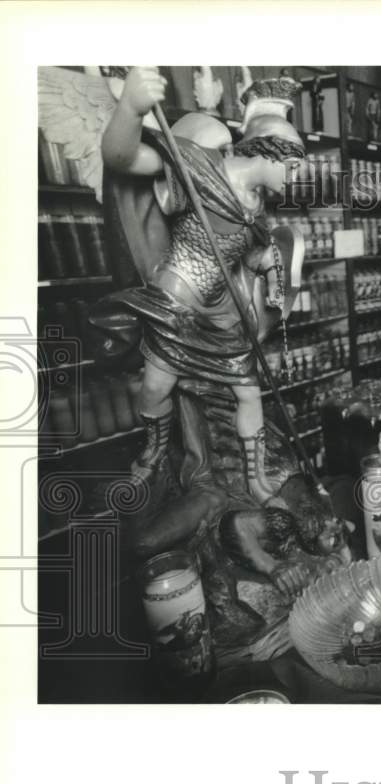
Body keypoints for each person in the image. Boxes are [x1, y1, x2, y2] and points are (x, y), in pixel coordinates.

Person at [95, 66, 306, 505]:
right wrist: (131, 109)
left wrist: (265, 261)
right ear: (270, 154)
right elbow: (122, 159)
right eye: (292, 165)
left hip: (222, 307)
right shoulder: (199, 167)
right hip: (179, 299)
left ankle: (255, 478)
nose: (295, 178)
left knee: (249, 391)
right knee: (156, 387)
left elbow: (242, 254)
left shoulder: (258, 207)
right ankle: (153, 453)